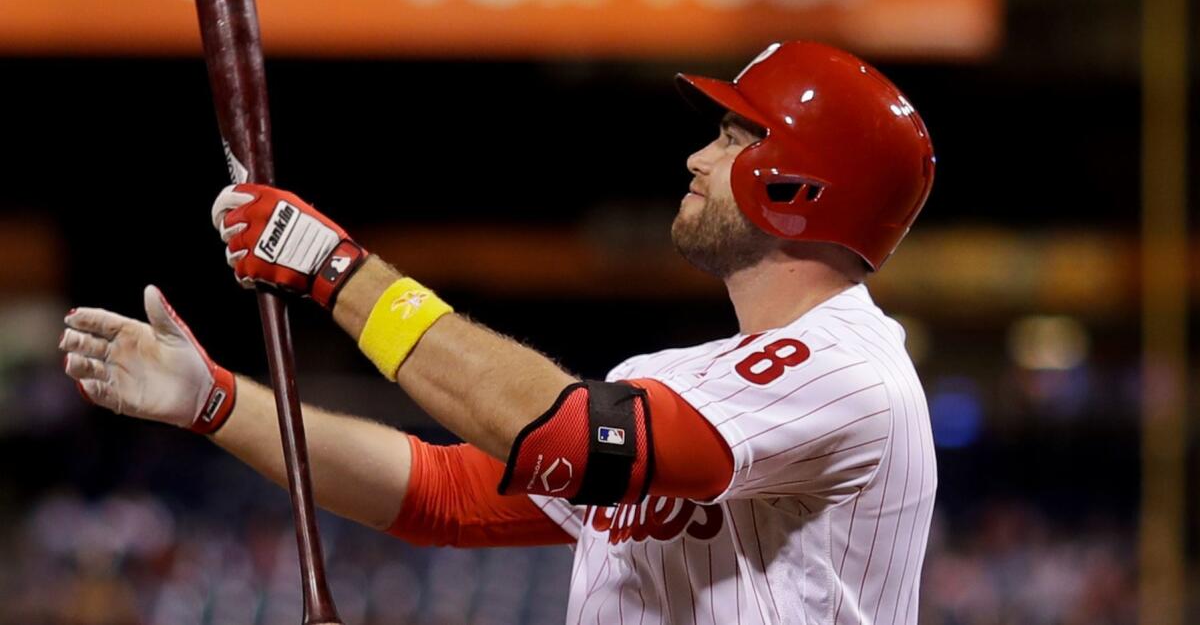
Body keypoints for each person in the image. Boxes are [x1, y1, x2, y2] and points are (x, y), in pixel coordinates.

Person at [60, 41, 937, 624]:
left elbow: (568, 437)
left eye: (734, 135)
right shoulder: (687, 381)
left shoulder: (847, 370)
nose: (698, 158)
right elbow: (442, 494)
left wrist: (335, 271)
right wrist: (217, 401)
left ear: (798, 187)